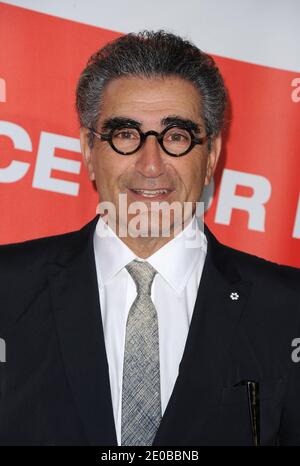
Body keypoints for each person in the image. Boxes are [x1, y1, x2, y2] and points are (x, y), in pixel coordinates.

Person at [0, 30, 300, 446]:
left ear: (211, 155)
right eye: (126, 135)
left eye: (177, 137)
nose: (152, 165)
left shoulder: (289, 309)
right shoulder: (7, 291)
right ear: (88, 150)